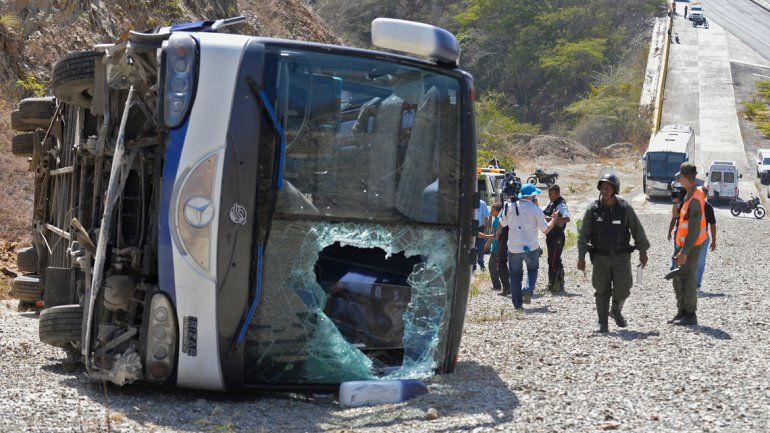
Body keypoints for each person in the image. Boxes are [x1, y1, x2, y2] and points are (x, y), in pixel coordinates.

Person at [577, 172, 649, 333]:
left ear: (615, 189)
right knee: (601, 290)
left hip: (621, 257)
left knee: (623, 288)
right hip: (600, 257)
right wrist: (581, 258)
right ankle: (602, 323)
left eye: (608, 186)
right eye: (602, 186)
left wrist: (643, 252)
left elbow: (638, 231)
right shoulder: (592, 209)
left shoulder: (625, 208)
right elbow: (582, 235)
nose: (605, 189)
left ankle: (615, 310)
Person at [500, 183, 558, 310]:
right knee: (532, 270)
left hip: (514, 247)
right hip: (531, 247)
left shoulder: (509, 206)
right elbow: (546, 230)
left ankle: (517, 305)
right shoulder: (536, 210)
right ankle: (527, 290)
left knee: (515, 275)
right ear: (532, 196)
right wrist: (553, 219)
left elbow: (502, 223)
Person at [670, 163, 708, 326]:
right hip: (684, 247)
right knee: (679, 278)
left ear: (685, 178)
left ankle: (690, 314)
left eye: (680, 177)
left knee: (688, 279)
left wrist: (684, 252)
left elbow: (693, 229)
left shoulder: (694, 199)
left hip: (690, 248)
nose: (679, 180)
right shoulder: (690, 195)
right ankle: (682, 312)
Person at [543, 184, 571, 292]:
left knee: (553, 260)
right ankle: (557, 283)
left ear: (558, 194)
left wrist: (551, 219)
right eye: (550, 194)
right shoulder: (551, 203)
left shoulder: (560, 205)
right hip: (550, 236)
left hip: (557, 237)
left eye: (553, 195)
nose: (551, 196)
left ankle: (554, 285)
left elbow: (567, 218)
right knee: (554, 260)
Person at [479, 203, 509, 293]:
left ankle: (498, 286)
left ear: (498, 211)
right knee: (496, 266)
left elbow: (496, 236)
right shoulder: (496, 220)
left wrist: (483, 236)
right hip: (497, 247)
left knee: (493, 266)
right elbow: (494, 233)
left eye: (492, 210)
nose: (490, 212)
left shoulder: (497, 221)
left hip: (498, 248)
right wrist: (488, 243)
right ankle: (500, 285)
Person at [696, 200, 717, 294]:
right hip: (688, 237)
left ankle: (696, 286)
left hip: (703, 238)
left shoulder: (708, 207)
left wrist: (714, 241)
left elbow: (712, 224)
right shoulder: (688, 204)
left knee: (700, 262)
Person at [474, 199, 490, 272]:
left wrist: (486, 230)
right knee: (471, 247)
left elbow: (486, 217)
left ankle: (481, 263)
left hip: (480, 227)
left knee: (480, 247)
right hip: (470, 227)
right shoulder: (467, 201)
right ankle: (473, 265)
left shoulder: (482, 203)